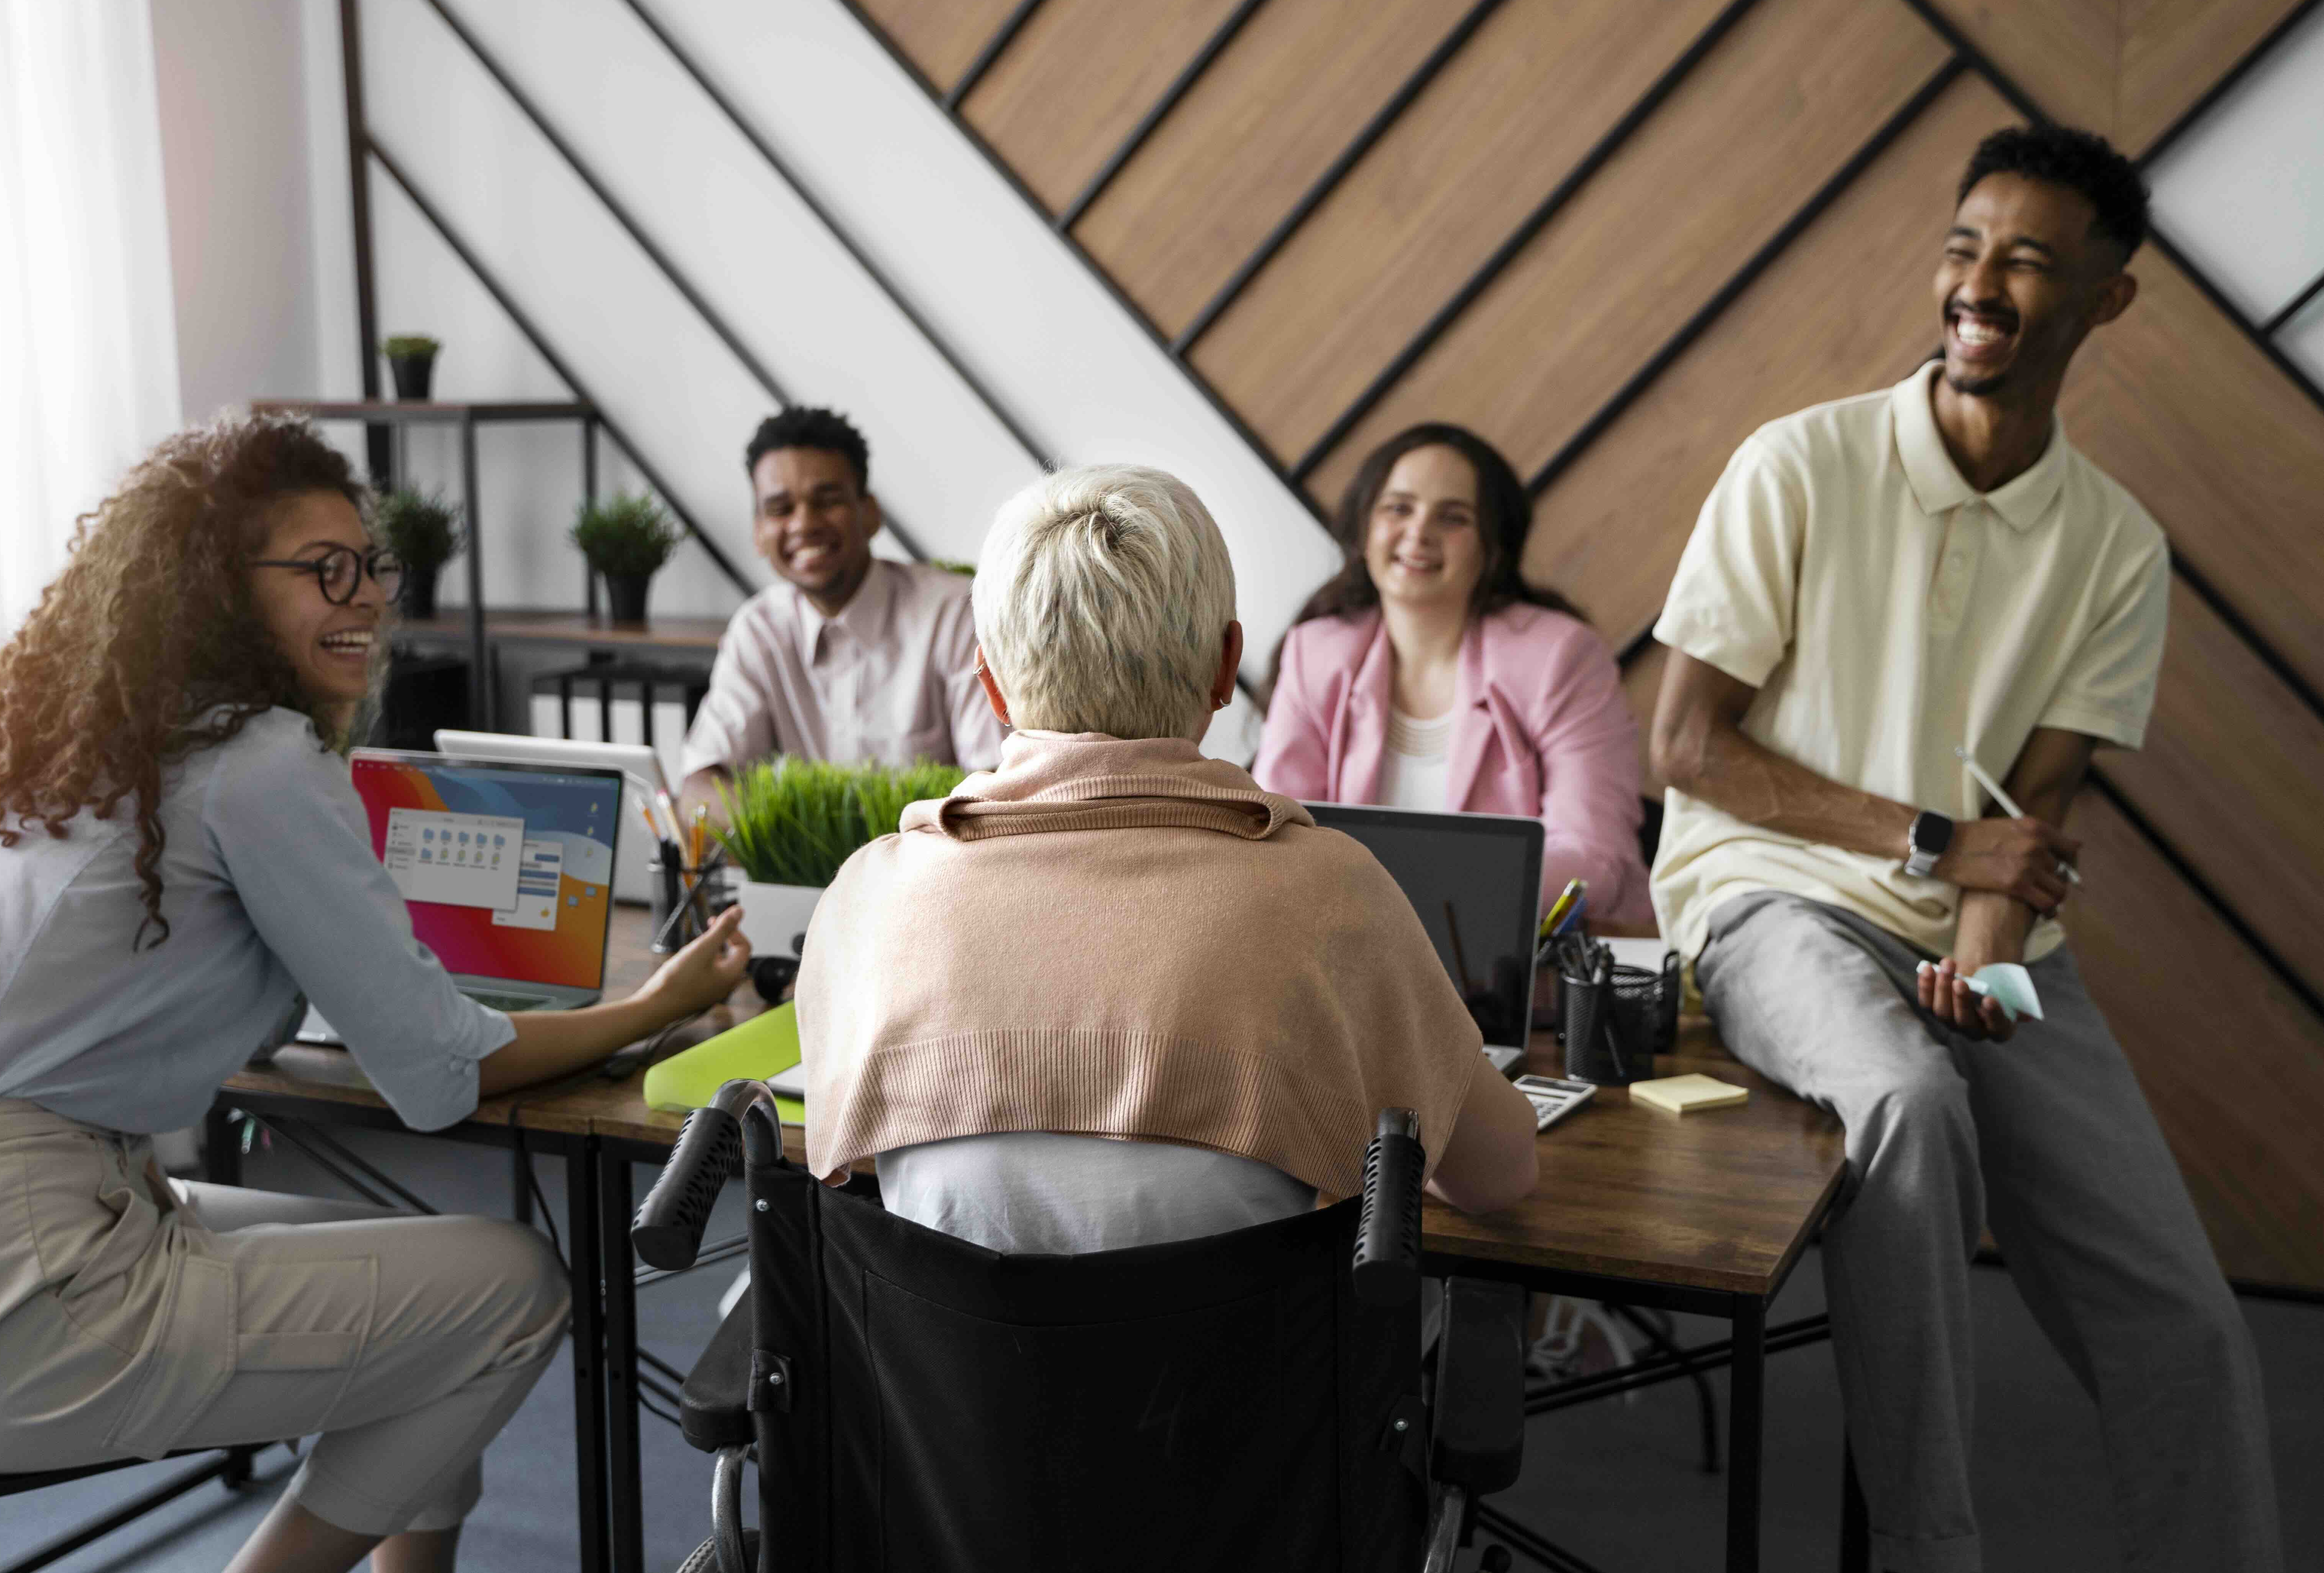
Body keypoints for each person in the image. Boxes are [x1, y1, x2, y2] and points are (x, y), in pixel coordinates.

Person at [0, 416, 753, 1573]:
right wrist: (658, 1006)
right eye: (322, 569)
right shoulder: (257, 763)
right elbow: (439, 1077)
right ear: (217, 592)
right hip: (23, 1300)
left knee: (418, 1280)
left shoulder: (87, 750)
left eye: (370, 568)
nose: (364, 599)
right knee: (511, 1290)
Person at [1648, 125, 2278, 1573]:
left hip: (1987, 936)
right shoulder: (1797, 463)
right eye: (1962, 246)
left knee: (2180, 1318)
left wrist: (1985, 947)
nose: (1977, 285)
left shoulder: (2115, 546)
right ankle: (1934, 1549)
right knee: (1906, 1107)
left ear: (2104, 303)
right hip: (1771, 899)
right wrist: (1935, 849)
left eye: (2024, 261)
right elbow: (1685, 746)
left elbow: (2036, 813)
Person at [794, 464, 1539, 1256]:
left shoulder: (866, 898)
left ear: (992, 688)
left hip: (930, 1379)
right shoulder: (1333, 892)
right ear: (1226, 666)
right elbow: (1501, 1176)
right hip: (1255, 1378)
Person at [1254, 424, 1653, 931]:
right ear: (1362, 528)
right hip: (1352, 959)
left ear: (1493, 547)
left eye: (1453, 517)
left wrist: (1436, 900)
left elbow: (1596, 858)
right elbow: (1277, 834)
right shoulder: (1316, 650)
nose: (1419, 533)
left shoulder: (1559, 656)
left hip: (1524, 969)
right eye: (1398, 508)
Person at [679, 406, 1004, 825]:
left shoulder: (955, 613)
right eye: (780, 509)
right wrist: (800, 844)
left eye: (827, 500)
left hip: (931, 881)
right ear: (759, 531)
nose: (804, 524)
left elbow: (995, 788)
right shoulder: (759, 629)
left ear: (869, 513)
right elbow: (699, 789)